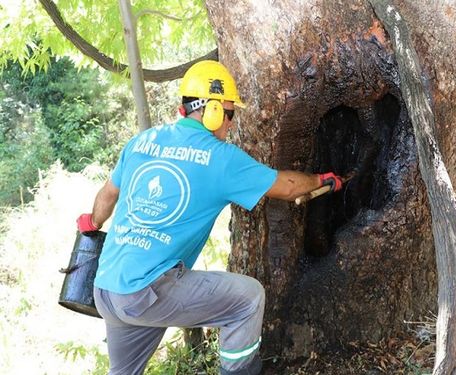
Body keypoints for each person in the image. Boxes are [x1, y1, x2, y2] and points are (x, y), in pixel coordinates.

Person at [76, 60, 343, 375]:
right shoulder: (220, 158)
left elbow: (107, 196)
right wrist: (323, 180)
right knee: (248, 298)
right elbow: (287, 187)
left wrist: (91, 224)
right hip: (147, 291)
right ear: (214, 111)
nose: (230, 124)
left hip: (107, 287)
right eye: (230, 114)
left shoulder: (142, 142)